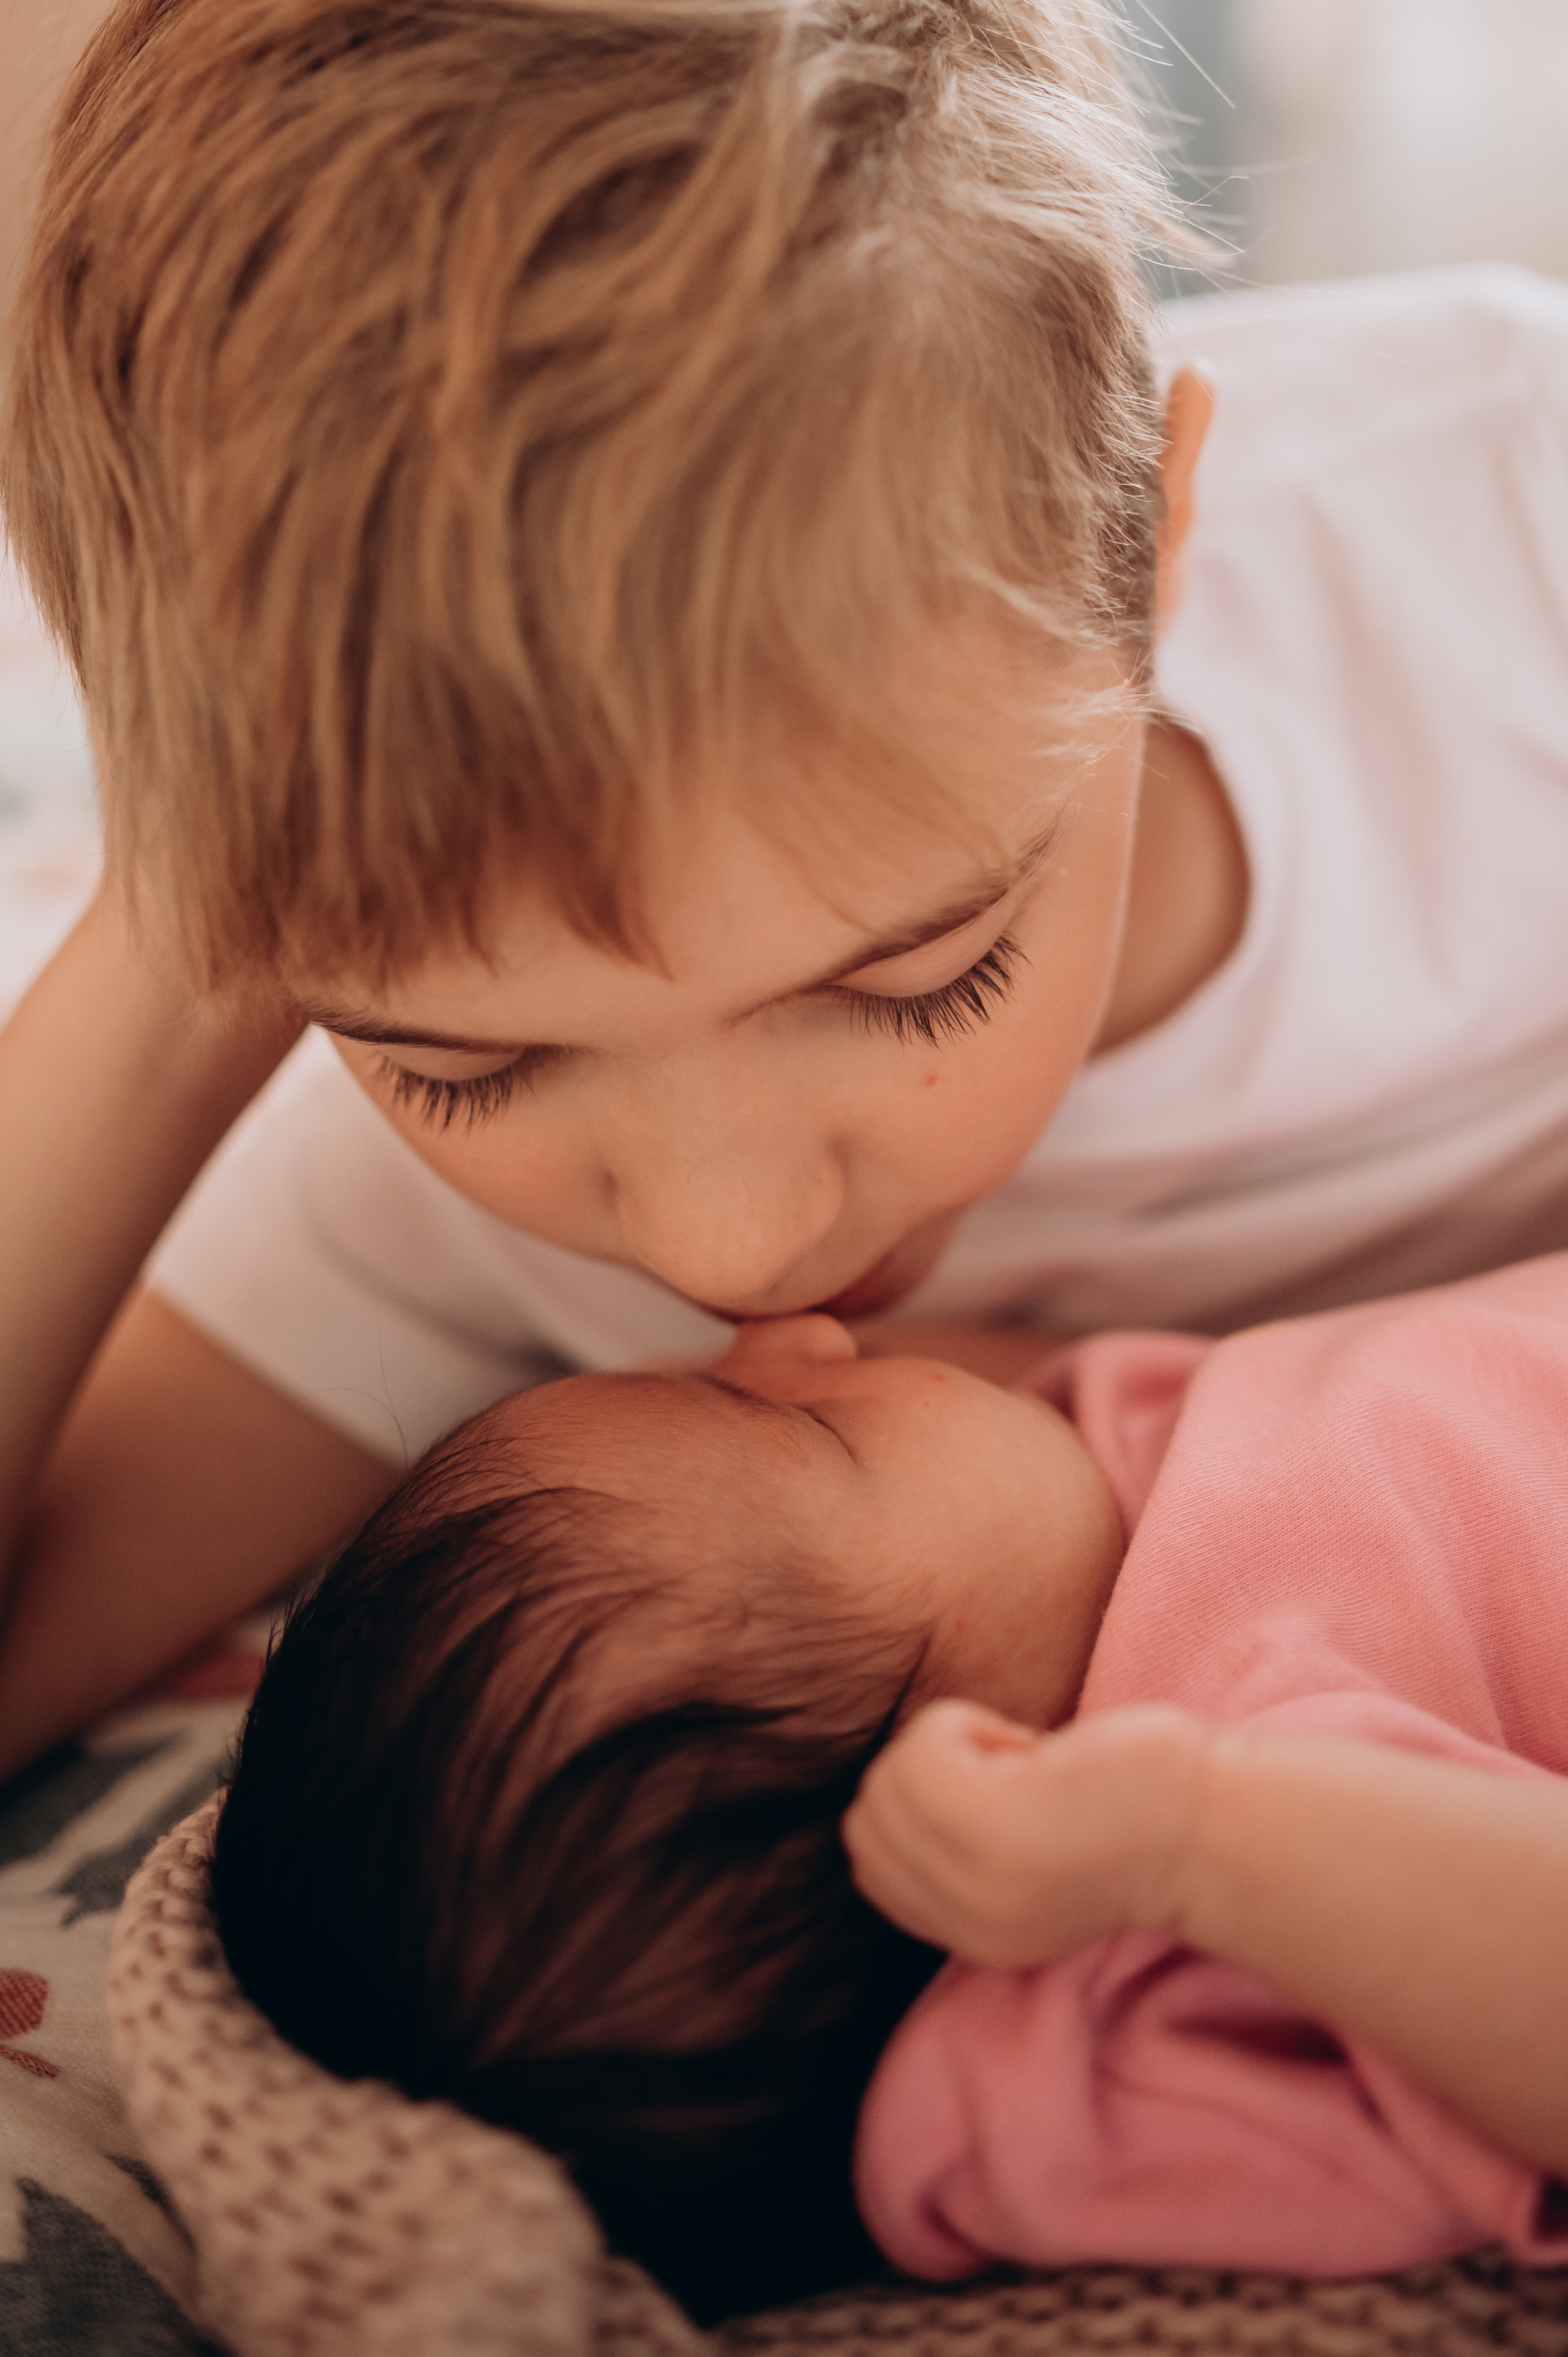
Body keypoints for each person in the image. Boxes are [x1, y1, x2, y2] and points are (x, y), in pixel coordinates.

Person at [4, 0, 1568, 1780]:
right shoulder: (414, 1197)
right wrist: (192, 924)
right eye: (465, 1064)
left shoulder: (1521, 541)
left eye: (919, 981)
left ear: (1153, 553)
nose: (726, 1244)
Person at [209, 1257, 1568, 2325]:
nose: (799, 1340)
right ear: (958, 1787)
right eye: (787, 1418)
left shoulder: (1064, 1517)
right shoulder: (1208, 1879)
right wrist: (1194, 1837)